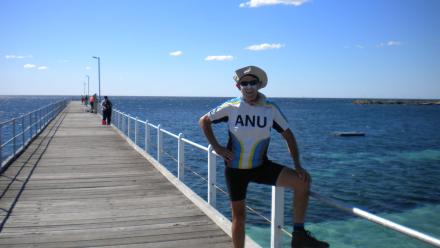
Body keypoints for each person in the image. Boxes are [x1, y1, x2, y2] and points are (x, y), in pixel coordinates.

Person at [199, 66, 329, 248]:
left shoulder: (270, 108)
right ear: (238, 87)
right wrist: (217, 147)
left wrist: (297, 165)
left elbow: (288, 135)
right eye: (244, 83)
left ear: (259, 85)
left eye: (252, 83)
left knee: (303, 182)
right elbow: (204, 121)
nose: (249, 87)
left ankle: (298, 235)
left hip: (261, 167)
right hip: (235, 171)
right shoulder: (231, 107)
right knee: (240, 217)